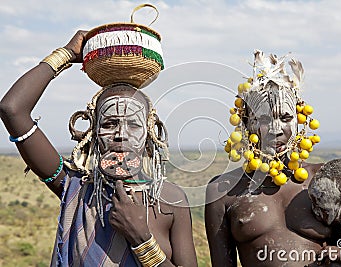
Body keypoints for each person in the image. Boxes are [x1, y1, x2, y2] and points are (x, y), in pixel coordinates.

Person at [0, 29, 197, 266]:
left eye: (133, 125)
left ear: (149, 135)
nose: (120, 135)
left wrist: (141, 239)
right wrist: (65, 55)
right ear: (92, 133)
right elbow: (12, 110)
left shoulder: (171, 200)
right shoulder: (74, 188)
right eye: (110, 123)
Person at [205, 50, 341, 266]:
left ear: (299, 122)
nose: (276, 129)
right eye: (263, 119)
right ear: (245, 123)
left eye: (286, 117)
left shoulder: (327, 180)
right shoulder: (222, 192)